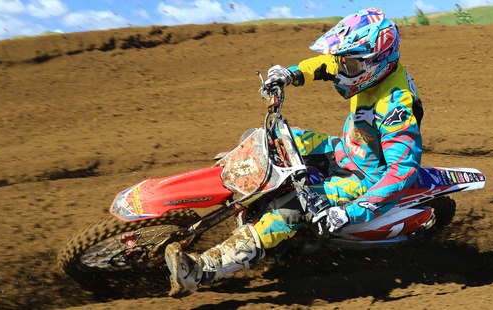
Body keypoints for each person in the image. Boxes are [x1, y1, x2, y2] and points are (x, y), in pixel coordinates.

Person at [164, 8, 423, 298]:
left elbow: (403, 171)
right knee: (265, 139)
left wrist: (346, 212)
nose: (342, 68)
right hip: (346, 148)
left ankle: (203, 270)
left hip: (365, 176)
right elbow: (328, 63)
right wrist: (290, 74)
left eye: (349, 64)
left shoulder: (395, 106)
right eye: (344, 60)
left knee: (289, 208)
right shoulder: (367, 67)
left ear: (376, 62)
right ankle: (247, 208)